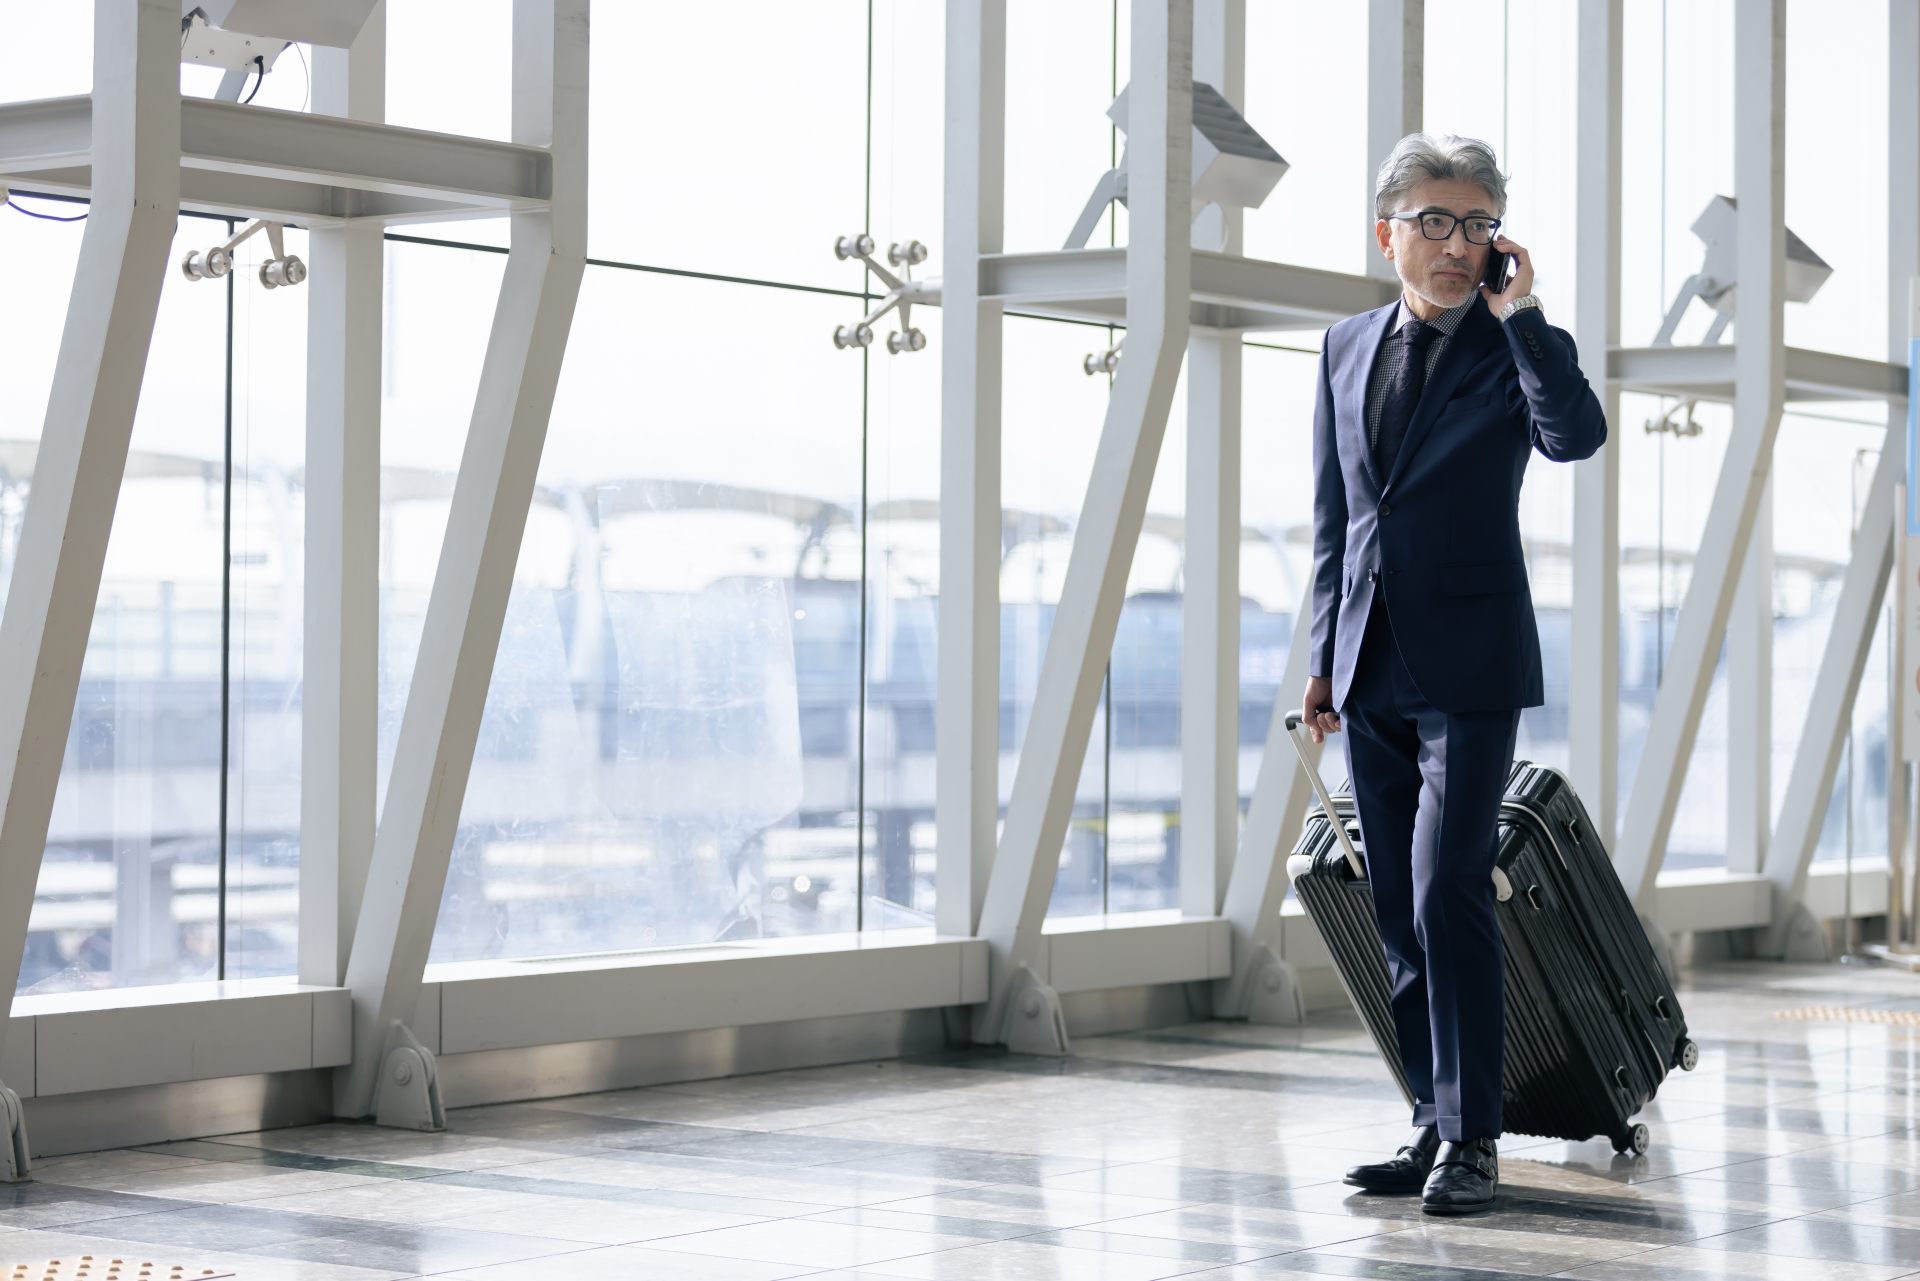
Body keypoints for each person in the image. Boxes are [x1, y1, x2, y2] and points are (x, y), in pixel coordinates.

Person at [1301, 133, 1607, 1215]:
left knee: (1447, 889)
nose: (1454, 244)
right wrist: (1321, 659)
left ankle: (1474, 1139)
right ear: (1387, 231)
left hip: (1472, 666)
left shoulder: (1513, 344)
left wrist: (1524, 318)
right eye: (1433, 221)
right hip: (1369, 660)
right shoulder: (1343, 346)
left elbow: (1575, 436)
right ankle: (1431, 1122)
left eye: (1475, 224)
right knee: (1393, 902)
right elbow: (1339, 518)